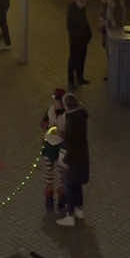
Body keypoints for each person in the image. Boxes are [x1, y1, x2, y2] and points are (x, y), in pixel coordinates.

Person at [56, 92, 89, 225]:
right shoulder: (81, 117)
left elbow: (70, 141)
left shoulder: (71, 120)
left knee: (69, 185)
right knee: (78, 184)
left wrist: (65, 159)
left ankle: (70, 215)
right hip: (82, 157)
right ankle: (79, 209)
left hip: (73, 158)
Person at [66, 0, 93, 88]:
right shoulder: (72, 11)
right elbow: (70, 26)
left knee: (82, 59)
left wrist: (88, 35)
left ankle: (80, 78)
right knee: (73, 60)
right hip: (75, 40)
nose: (84, 4)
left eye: (85, 2)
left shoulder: (82, 10)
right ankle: (71, 81)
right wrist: (78, 36)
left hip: (83, 40)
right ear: (76, 1)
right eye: (81, 1)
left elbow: (85, 23)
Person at [41, 123, 66, 215]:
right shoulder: (51, 111)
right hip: (50, 146)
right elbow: (43, 125)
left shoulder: (65, 116)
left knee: (61, 175)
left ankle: (61, 200)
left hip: (61, 147)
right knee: (49, 174)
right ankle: (50, 200)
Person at [100, 0, 126, 78]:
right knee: (109, 53)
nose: (108, 2)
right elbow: (102, 16)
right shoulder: (105, 6)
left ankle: (116, 73)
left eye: (110, 1)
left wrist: (109, 19)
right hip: (107, 34)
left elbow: (117, 24)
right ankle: (111, 72)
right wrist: (102, 20)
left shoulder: (119, 10)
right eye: (108, 0)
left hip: (115, 34)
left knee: (115, 54)